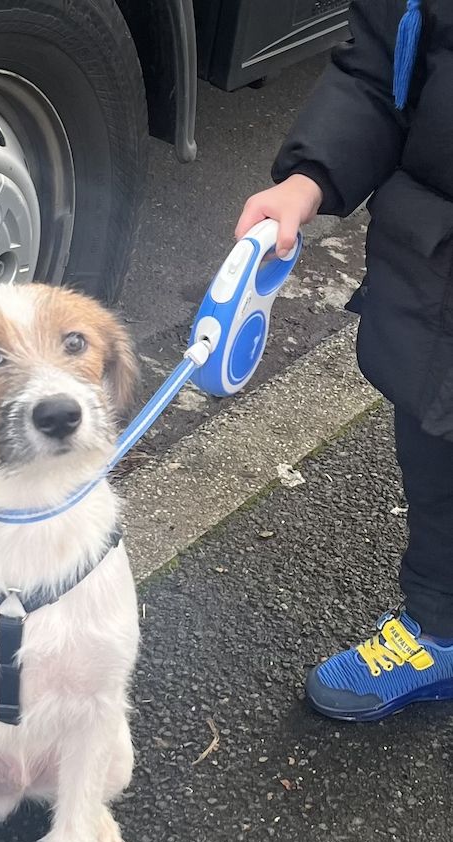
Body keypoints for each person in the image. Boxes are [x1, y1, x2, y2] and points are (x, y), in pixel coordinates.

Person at [236, 0, 453, 722]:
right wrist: (304, 184)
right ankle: (440, 630)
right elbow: (377, 73)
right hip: (433, 274)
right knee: (433, 460)